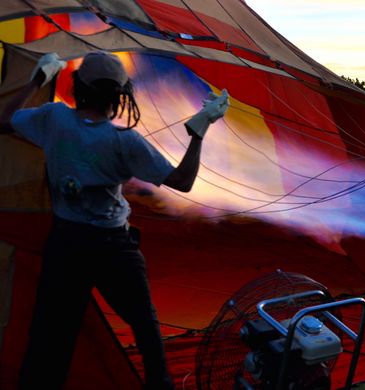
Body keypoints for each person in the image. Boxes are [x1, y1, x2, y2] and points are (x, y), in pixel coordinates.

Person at [0, 51, 229, 389]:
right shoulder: (124, 143)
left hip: (66, 244)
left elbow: (4, 119)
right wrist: (199, 131)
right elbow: (182, 181)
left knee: (50, 334)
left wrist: (38, 78)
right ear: (122, 96)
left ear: (78, 87)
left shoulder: (53, 119)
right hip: (112, 247)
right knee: (146, 329)